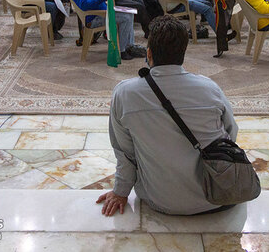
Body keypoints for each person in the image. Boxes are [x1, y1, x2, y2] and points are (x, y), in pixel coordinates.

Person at [97, 15, 237, 216]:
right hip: (217, 197)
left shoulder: (124, 94)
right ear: (183, 53)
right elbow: (231, 134)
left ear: (149, 54)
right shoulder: (209, 89)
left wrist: (120, 192)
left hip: (160, 200)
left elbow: (125, 152)